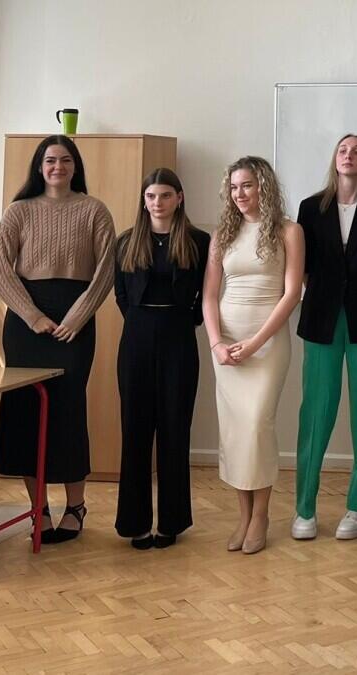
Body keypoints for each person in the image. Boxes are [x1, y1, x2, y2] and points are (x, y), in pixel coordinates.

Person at [0, 134, 115, 543]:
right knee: (26, 412)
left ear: (75, 166)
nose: (57, 167)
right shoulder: (19, 210)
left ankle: (75, 506)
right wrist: (33, 316)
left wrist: (77, 317)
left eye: (65, 160)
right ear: (39, 167)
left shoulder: (94, 210)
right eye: (50, 161)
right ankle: (37, 509)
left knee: (67, 411)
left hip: (75, 322)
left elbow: (106, 270)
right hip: (27, 324)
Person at [202, 156, 304, 554]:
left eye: (246, 185)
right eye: (233, 187)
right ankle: (242, 516)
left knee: (258, 426)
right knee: (234, 431)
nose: (239, 194)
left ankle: (261, 514)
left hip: (267, 343)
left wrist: (256, 342)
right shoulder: (222, 234)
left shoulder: (289, 230)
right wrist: (217, 343)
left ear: (264, 186)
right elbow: (210, 296)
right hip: (226, 344)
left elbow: (291, 294)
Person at [292, 134, 357, 541]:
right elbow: (303, 268)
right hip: (322, 319)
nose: (349, 156)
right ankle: (305, 508)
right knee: (316, 413)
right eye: (343, 150)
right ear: (335, 160)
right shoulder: (310, 207)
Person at [113, 168, 210, 550]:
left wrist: (184, 321)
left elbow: (208, 293)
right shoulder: (126, 241)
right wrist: (142, 322)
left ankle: (172, 521)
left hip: (178, 338)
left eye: (166, 195)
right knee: (135, 432)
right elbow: (120, 294)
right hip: (136, 339)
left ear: (179, 198)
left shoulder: (199, 241)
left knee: (174, 430)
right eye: (151, 196)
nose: (158, 203)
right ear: (144, 200)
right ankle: (134, 523)